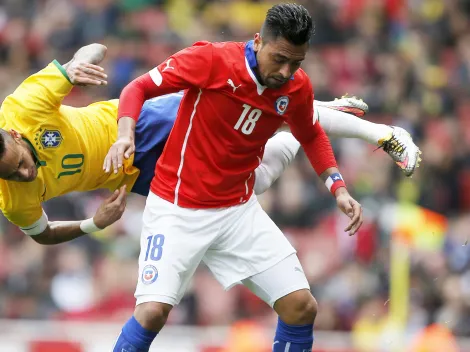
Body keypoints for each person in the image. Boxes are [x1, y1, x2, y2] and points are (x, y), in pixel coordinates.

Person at [104, 4, 404, 352]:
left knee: (301, 307)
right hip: (176, 209)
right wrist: (125, 135)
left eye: (297, 62)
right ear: (259, 40)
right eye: (279, 58)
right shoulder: (212, 60)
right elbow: (137, 89)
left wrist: (337, 187)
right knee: (152, 313)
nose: (286, 70)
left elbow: (310, 132)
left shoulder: (296, 87)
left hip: (237, 211)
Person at [0, 43, 418, 245]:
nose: (25, 173)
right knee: (251, 183)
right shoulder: (11, 197)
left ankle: (383, 134)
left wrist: (75, 64)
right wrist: (95, 225)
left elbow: (96, 47)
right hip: (141, 175)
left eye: (20, 162)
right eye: (14, 176)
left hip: (142, 124)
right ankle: (303, 118)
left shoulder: (24, 106)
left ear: (15, 136)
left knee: (241, 121)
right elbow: (41, 234)